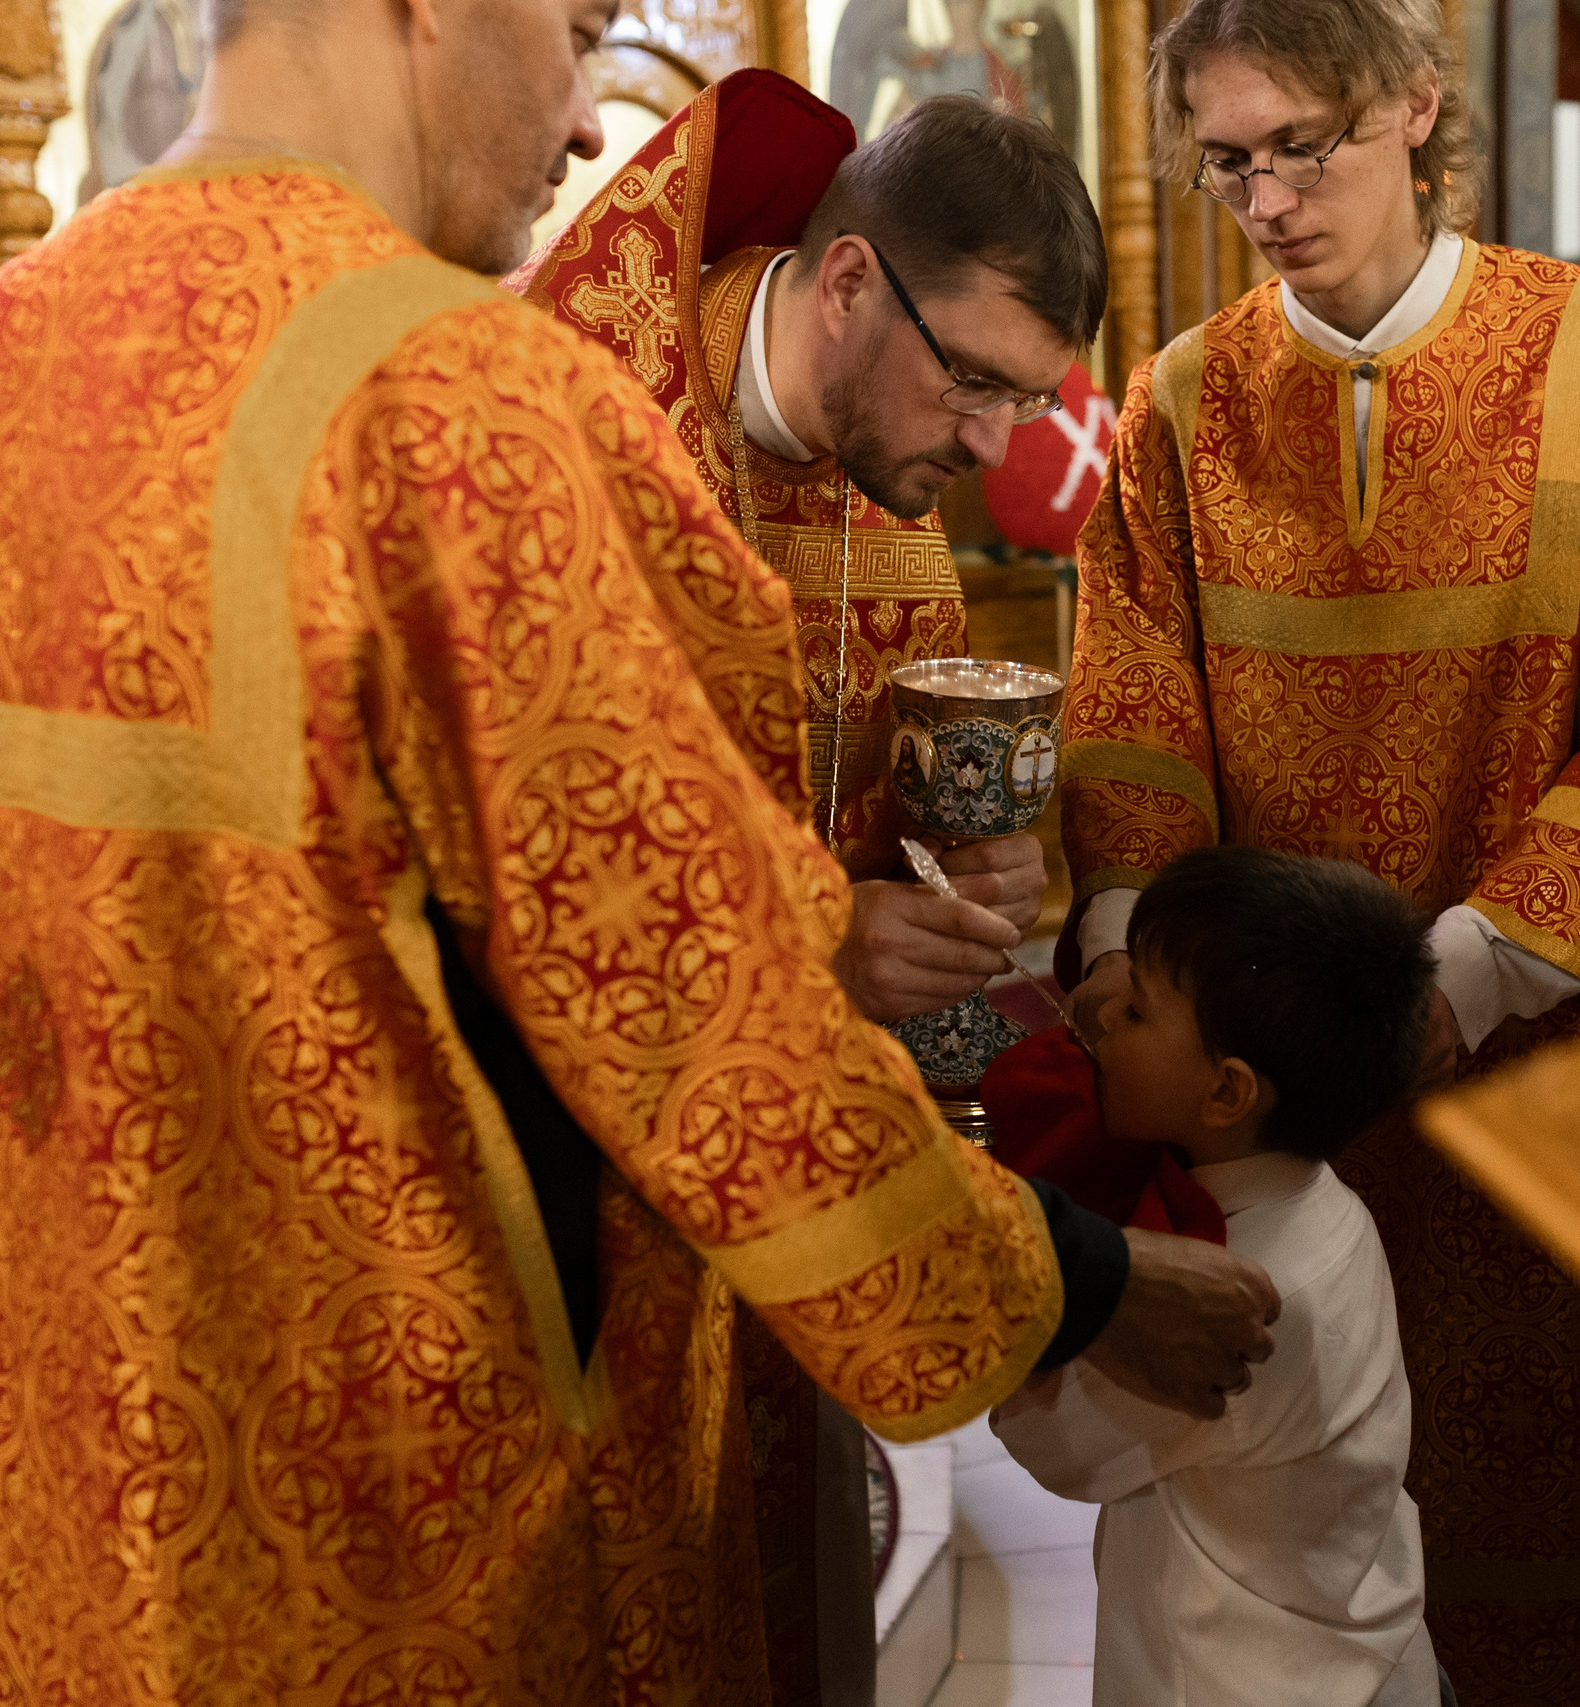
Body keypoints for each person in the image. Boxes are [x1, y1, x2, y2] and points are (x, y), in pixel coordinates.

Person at [0, 1, 1283, 1702]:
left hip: (64, 1500)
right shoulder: (457, 398)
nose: (592, 115)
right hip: (392, 1529)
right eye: (580, 29)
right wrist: (1083, 1284)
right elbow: (705, 1027)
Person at [1057, 0, 1580, 1696]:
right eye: (1230, 160)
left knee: (1556, 1537)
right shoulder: (1183, 403)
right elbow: (1133, 713)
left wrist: (1459, 977)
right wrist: (1150, 989)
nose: (1271, 195)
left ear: (1416, 110)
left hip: (1539, 1084)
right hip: (1269, 1108)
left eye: (1308, 144)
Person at [503, 79, 1104, 1695]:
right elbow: (527, 874)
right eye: (973, 382)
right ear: (849, 285)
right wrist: (825, 942)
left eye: (1025, 404)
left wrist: (966, 873)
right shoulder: (555, 426)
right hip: (553, 1202)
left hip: (781, 1209)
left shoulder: (890, 525)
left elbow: (864, 853)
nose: (992, 452)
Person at [993, 846, 1448, 1707]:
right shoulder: (1334, 1213)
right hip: (1364, 1657)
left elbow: (1046, 1442)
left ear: (1228, 1092)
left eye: (1135, 1008)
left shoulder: (1223, 1305)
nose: (1096, 1017)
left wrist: (1058, 1255)